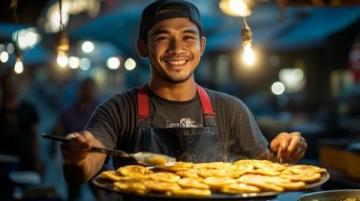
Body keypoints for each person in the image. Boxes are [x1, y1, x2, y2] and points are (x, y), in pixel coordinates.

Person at [61, 0, 308, 185]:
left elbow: (267, 169)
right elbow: (85, 165)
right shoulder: (119, 109)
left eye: (188, 37)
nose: (176, 48)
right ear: (142, 47)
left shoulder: (230, 109)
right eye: (162, 38)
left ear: (202, 45)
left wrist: (285, 149)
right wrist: (78, 154)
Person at [51, 78, 105, 201]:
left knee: (100, 192)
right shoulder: (69, 111)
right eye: (85, 88)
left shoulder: (101, 110)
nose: (87, 91)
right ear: (80, 90)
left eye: (90, 88)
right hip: (74, 159)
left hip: (95, 158)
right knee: (73, 193)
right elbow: (57, 130)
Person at [0, 70, 42, 173]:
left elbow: (34, 136)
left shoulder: (28, 109)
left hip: (24, 158)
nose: (11, 87)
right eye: (8, 84)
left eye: (14, 84)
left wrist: (36, 158)